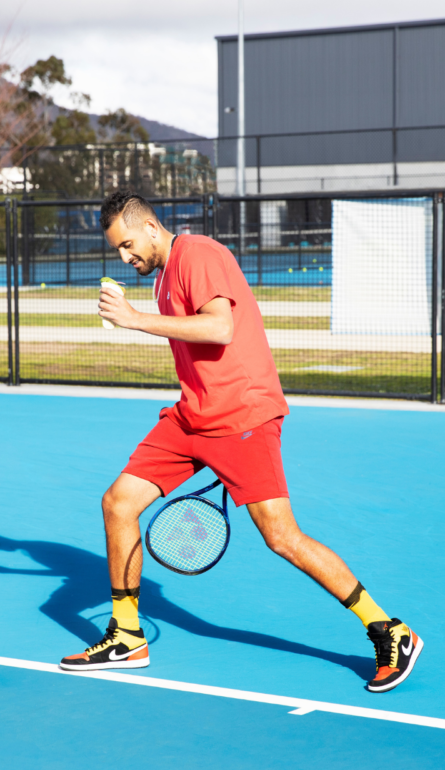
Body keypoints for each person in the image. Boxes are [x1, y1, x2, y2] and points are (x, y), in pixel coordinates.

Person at [57, 191, 423, 693]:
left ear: (148, 227)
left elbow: (220, 327)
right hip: (192, 418)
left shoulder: (200, 255)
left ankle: (390, 630)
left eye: (126, 245)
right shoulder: (164, 276)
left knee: (282, 539)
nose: (124, 257)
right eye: (117, 250)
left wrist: (135, 319)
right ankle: (127, 635)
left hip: (244, 419)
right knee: (118, 503)